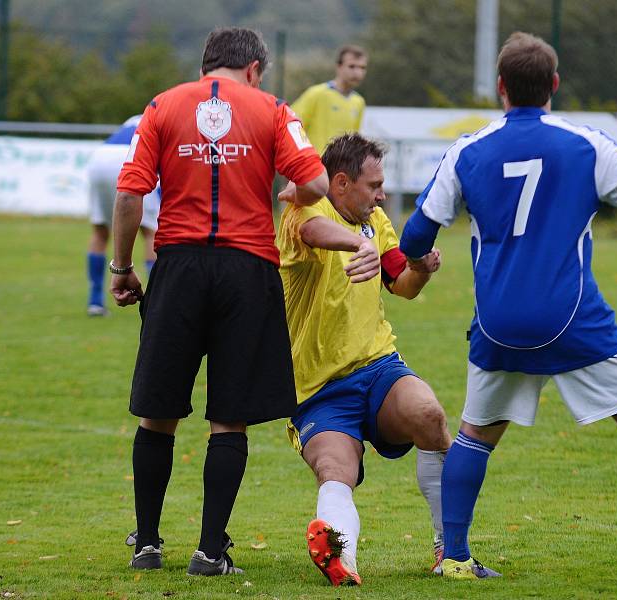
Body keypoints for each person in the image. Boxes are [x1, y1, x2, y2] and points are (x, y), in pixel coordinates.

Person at [400, 32, 617, 580]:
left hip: (497, 322)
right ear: (554, 86)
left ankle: (459, 557)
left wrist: (416, 264)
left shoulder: (467, 150)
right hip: (571, 314)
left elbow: (416, 235)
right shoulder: (586, 144)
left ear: (500, 88)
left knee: (475, 433)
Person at [111, 27, 328, 576]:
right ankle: (210, 552)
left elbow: (129, 194)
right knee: (228, 420)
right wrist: (293, 193)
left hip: (178, 267)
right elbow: (319, 182)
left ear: (205, 65)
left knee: (158, 413)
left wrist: (122, 268)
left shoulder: (161, 106)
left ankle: (148, 546)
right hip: (247, 270)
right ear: (254, 69)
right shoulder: (274, 109)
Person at [277, 133, 450, 586]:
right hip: (317, 388)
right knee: (336, 472)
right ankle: (341, 558)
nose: (382, 194)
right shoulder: (304, 211)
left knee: (429, 415)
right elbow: (314, 232)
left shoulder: (375, 221)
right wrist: (358, 246)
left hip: (379, 369)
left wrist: (421, 270)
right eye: (373, 185)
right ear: (339, 183)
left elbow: (402, 283)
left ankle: (447, 548)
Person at [86, 115, 160, 317]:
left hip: (99, 158)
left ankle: (95, 301)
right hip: (126, 156)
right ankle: (157, 300)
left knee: (101, 230)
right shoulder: (163, 116)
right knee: (151, 231)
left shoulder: (135, 118)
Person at [291, 45, 368, 154]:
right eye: (352, 66)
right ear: (339, 67)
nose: (357, 72)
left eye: (362, 68)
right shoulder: (317, 93)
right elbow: (292, 126)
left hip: (340, 168)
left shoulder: (359, 102)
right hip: (314, 165)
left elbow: (353, 139)